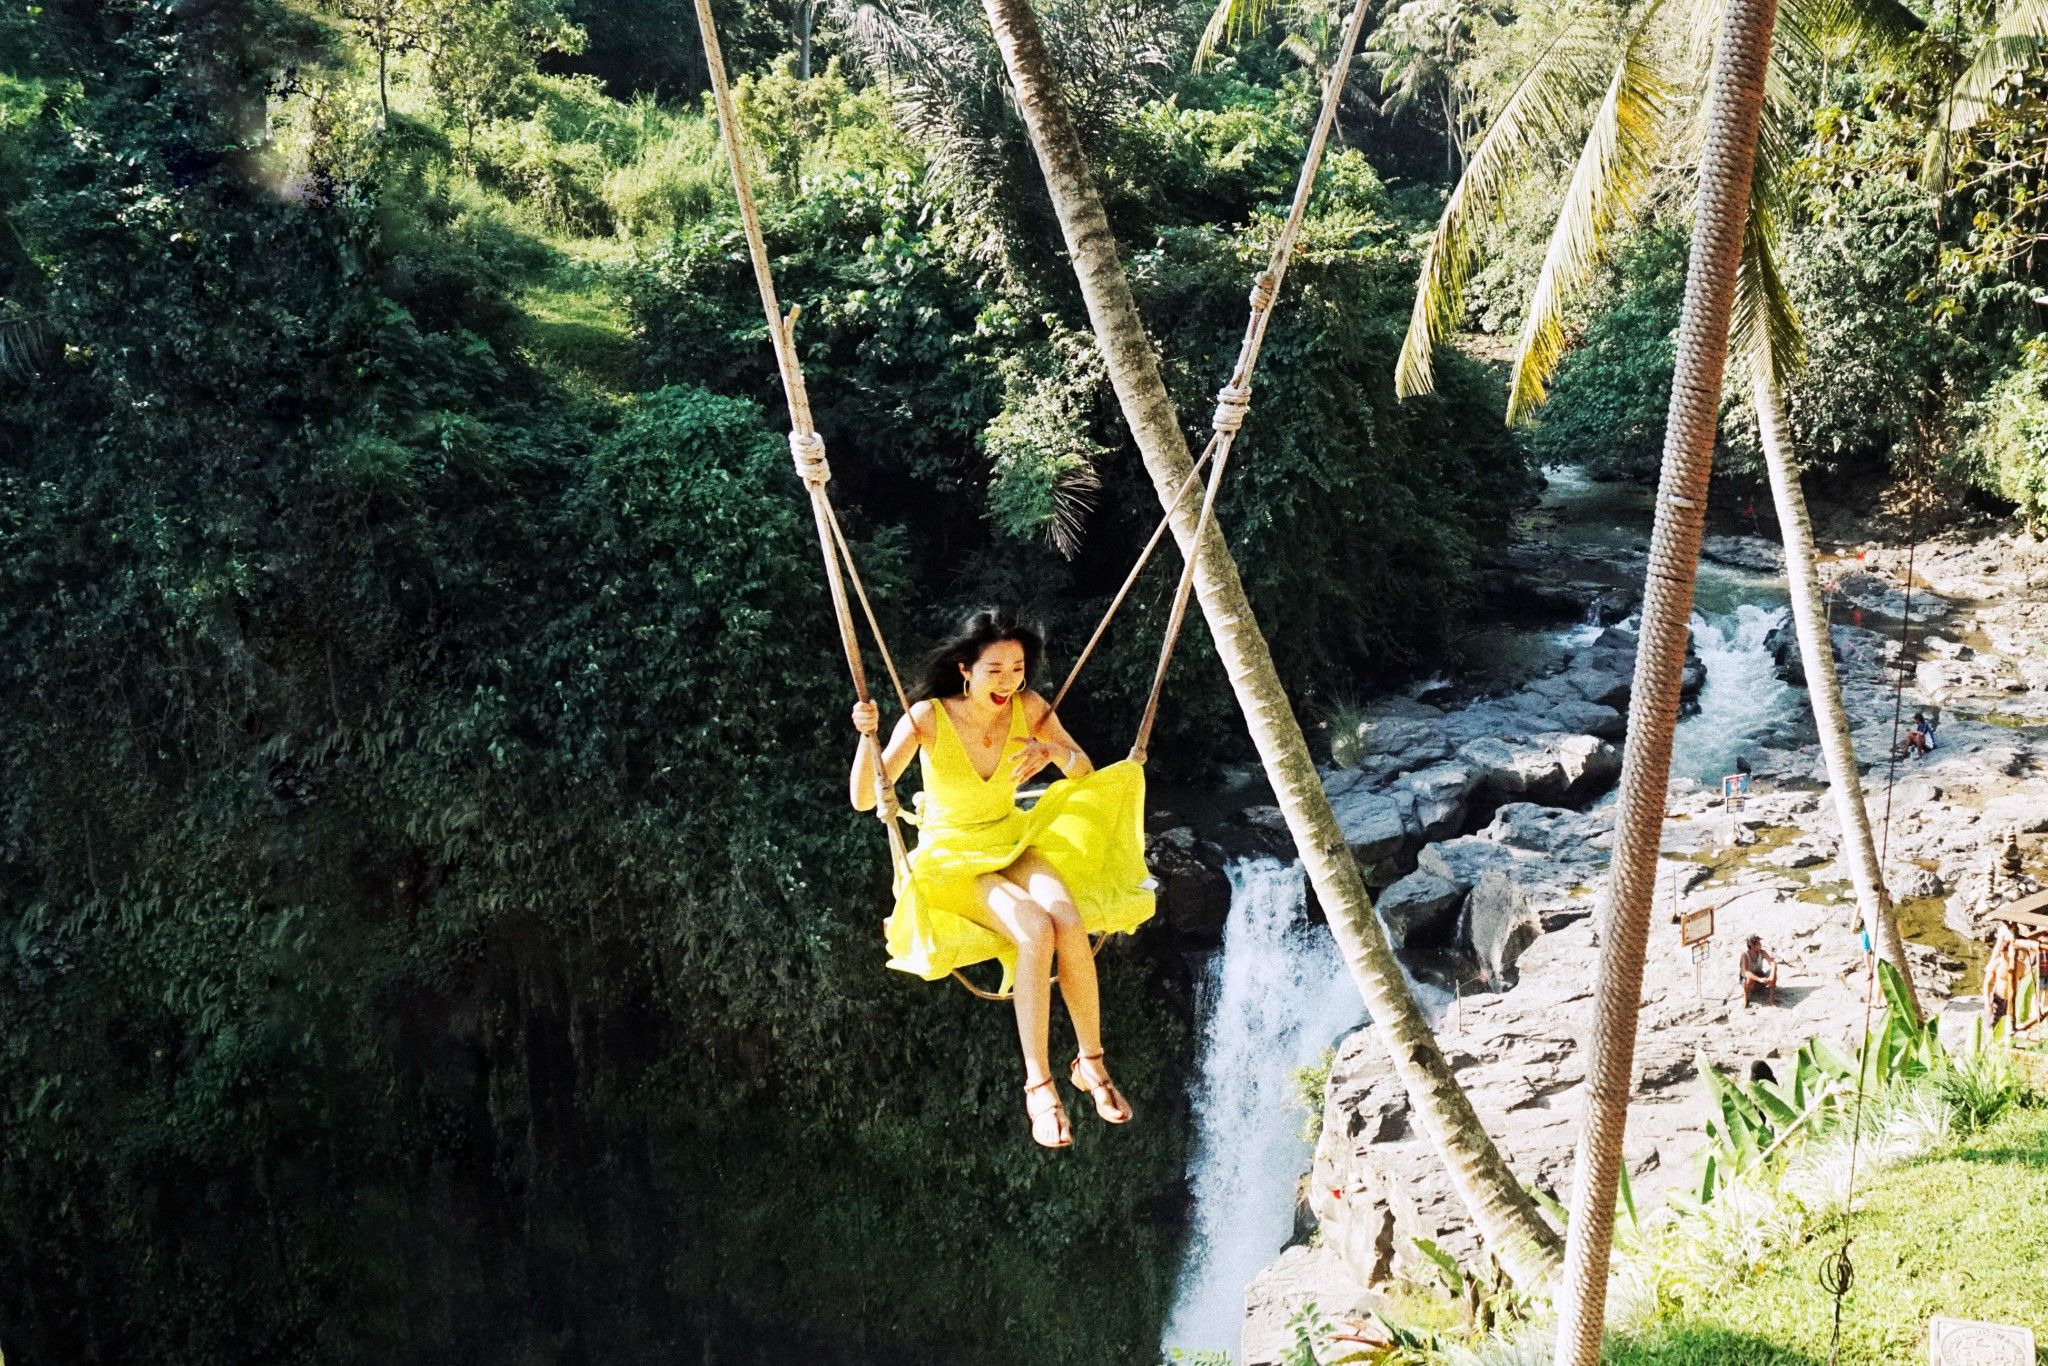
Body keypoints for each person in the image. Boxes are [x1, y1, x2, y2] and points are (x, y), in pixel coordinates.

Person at [849, 609, 1154, 1148]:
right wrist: (866, 739)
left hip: (1009, 840)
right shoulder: (927, 717)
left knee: (1068, 918)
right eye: (995, 669)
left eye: (1017, 668)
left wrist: (1051, 752)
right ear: (965, 669)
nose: (1009, 681)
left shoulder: (1030, 708)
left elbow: (1083, 771)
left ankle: (1091, 1063)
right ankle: (1039, 1086)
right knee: (1034, 929)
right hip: (950, 859)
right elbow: (865, 798)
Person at [1739, 934, 1779, 1008]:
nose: (1760, 944)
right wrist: (1759, 979)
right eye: (1758, 943)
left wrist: (1771, 976)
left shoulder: (1762, 952)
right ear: (1752, 945)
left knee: (1773, 970)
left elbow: (1772, 962)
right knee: (1748, 978)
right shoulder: (1744, 955)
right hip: (1750, 979)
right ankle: (1745, 997)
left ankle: (1771, 998)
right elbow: (1746, 972)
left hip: (1759, 974)